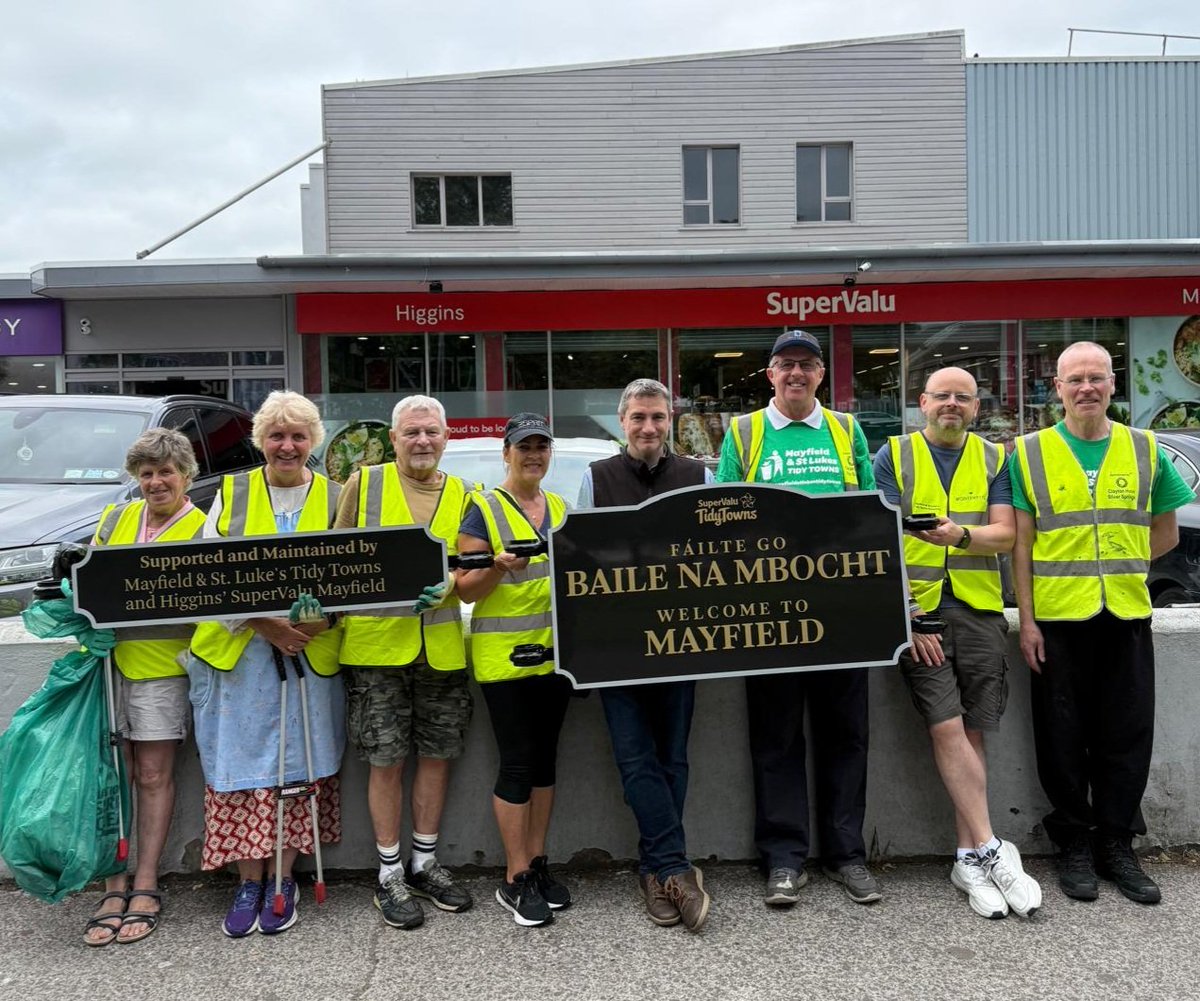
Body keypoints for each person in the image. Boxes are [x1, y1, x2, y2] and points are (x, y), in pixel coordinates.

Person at [1010, 341, 1193, 905]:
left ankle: (1117, 843)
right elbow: (1020, 546)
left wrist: (1122, 567)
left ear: (1113, 385)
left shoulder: (1144, 449)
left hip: (1126, 617)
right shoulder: (1028, 451)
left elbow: (1167, 532)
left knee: (1126, 736)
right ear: (1057, 389)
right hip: (1059, 622)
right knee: (1062, 738)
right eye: (1074, 380)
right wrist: (1028, 621)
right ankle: (1075, 843)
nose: (1086, 388)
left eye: (1096, 378)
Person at [714, 328, 881, 907]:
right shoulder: (744, 432)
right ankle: (784, 859)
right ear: (770, 374)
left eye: (806, 365)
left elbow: (866, 514)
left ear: (819, 375)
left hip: (841, 612)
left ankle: (846, 854)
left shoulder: (847, 430)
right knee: (776, 739)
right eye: (785, 365)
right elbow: (724, 519)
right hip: (770, 614)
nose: (796, 374)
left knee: (846, 735)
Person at [874, 367, 1041, 920]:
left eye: (962, 398)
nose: (951, 404)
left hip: (978, 607)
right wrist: (907, 613)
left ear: (976, 407)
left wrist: (959, 536)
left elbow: (1006, 534)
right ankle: (993, 845)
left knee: (974, 729)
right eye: (941, 396)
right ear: (922, 402)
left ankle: (967, 856)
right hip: (920, 613)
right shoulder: (892, 455)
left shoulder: (996, 459)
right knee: (944, 724)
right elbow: (878, 542)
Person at [187, 390, 345, 937]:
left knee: (294, 764)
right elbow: (206, 576)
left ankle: (283, 878)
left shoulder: (336, 496)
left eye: (298, 435)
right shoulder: (231, 495)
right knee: (243, 764)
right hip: (241, 656)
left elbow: (356, 575)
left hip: (308, 655)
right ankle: (247, 882)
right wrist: (265, 624)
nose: (287, 445)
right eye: (276, 435)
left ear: (312, 441)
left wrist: (320, 624)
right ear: (260, 442)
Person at [576, 379, 713, 931]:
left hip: (683, 645)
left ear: (670, 420)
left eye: (657, 417)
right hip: (618, 648)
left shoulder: (699, 477)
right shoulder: (596, 478)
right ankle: (674, 867)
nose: (648, 428)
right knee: (636, 760)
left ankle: (656, 872)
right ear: (621, 420)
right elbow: (580, 558)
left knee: (673, 758)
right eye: (638, 418)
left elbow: (719, 559)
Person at [335, 395, 475, 929]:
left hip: (439, 649)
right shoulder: (364, 484)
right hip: (375, 651)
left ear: (446, 438)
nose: (422, 441)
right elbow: (336, 558)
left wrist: (452, 586)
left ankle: (425, 862)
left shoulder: (465, 494)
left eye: (432, 432)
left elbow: (472, 567)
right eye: (412, 432)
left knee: (438, 756)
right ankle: (389, 872)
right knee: (386, 761)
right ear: (393, 439)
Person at [82, 428, 207, 947]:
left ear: (186, 476)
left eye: (166, 472)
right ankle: (114, 883)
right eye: (147, 474)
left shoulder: (205, 528)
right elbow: (89, 584)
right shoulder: (116, 519)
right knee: (115, 775)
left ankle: (147, 882)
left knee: (153, 774)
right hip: (110, 666)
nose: (156, 483)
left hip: (164, 668)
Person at [454, 413, 573, 927]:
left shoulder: (562, 509)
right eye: (524, 447)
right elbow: (465, 587)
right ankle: (514, 876)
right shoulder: (482, 508)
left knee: (545, 763)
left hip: (555, 659)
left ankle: (538, 861)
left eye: (542, 447)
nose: (534, 455)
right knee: (518, 763)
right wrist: (496, 570)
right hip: (504, 661)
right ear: (506, 452)